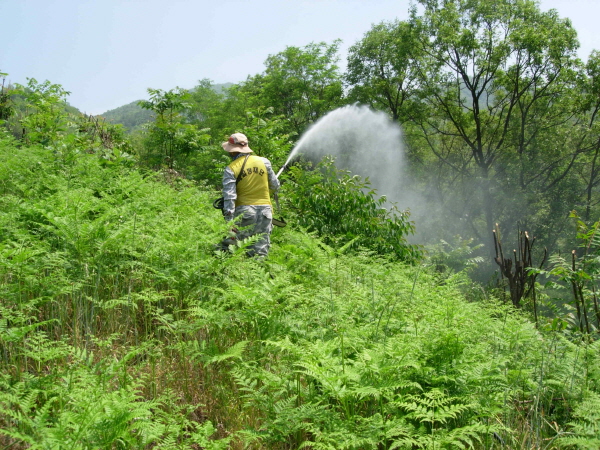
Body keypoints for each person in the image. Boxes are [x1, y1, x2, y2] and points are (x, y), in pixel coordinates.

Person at [220, 133, 280, 257]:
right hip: (265, 212)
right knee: (260, 250)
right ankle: (260, 267)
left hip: (244, 212)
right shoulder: (264, 162)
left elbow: (230, 197)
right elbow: (275, 186)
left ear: (233, 151)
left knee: (238, 249)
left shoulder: (231, 168)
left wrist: (229, 222)